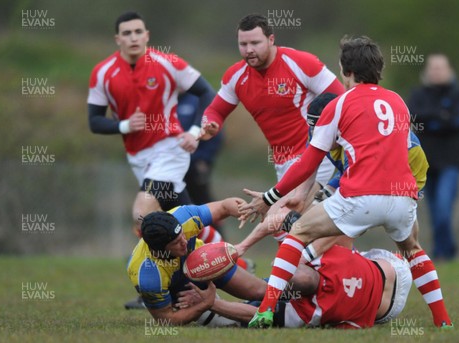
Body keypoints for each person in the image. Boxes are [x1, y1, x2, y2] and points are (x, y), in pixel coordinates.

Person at [239, 36, 453, 328]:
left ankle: (264, 310)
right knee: (413, 249)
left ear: (345, 71)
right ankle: (442, 320)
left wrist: (270, 197)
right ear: (379, 69)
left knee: (297, 234)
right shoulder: (398, 102)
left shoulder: (339, 105)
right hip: (402, 197)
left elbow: (307, 163)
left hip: (361, 198)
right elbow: (398, 152)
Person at [200, 14, 345, 213]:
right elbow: (215, 110)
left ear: (271, 40)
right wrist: (210, 124)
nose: (249, 50)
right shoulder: (236, 76)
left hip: (314, 154)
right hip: (283, 161)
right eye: (243, 44)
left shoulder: (301, 63)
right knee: (293, 231)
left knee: (284, 220)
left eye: (255, 43)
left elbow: (343, 99)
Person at [87, 11, 214, 236]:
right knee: (179, 215)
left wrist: (194, 131)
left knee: (142, 214)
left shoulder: (168, 63)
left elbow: (207, 93)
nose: (133, 38)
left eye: (138, 32)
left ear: (147, 35)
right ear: (118, 39)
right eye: (127, 33)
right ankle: (230, 260)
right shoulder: (103, 73)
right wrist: (125, 126)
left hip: (170, 150)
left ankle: (159, 267)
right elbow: (95, 121)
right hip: (138, 157)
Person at [178, 244, 412, 329]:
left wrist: (213, 304)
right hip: (394, 269)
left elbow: (258, 315)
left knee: (267, 297)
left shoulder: (314, 310)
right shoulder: (332, 255)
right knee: (269, 294)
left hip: (389, 302)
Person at [126, 198, 268, 326]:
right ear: (158, 250)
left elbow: (225, 206)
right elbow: (167, 319)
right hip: (181, 288)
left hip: (203, 260)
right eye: (176, 242)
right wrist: (205, 304)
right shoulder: (147, 276)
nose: (185, 242)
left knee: (261, 291)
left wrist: (242, 210)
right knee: (232, 324)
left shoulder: (183, 217)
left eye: (182, 234)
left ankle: (282, 294)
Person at [407, 53, 459, 261]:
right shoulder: (417, 94)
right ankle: (441, 253)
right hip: (425, 162)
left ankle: (447, 251)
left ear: (449, 70)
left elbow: (455, 122)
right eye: (432, 68)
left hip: (451, 161)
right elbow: (413, 117)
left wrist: (432, 119)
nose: (436, 71)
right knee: (433, 212)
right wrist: (440, 117)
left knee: (443, 208)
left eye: (440, 67)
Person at [177, 93, 227, 242]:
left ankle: (223, 249)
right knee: (172, 207)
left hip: (194, 168)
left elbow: (215, 132)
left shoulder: (199, 100)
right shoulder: (165, 101)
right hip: (172, 168)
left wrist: (204, 160)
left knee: (205, 207)